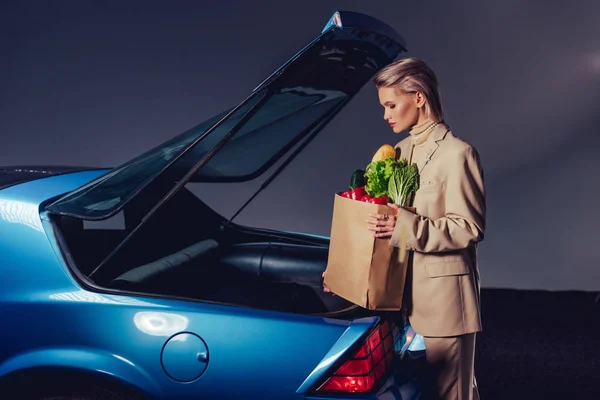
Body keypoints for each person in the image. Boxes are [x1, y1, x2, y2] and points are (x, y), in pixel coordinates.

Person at [366, 57, 486, 400]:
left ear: (419, 97)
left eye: (391, 105)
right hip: (404, 301)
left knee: (452, 394)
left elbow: (468, 228)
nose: (386, 115)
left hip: (446, 303)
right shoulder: (399, 152)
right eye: (384, 106)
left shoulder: (458, 154)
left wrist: (402, 224)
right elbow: (384, 223)